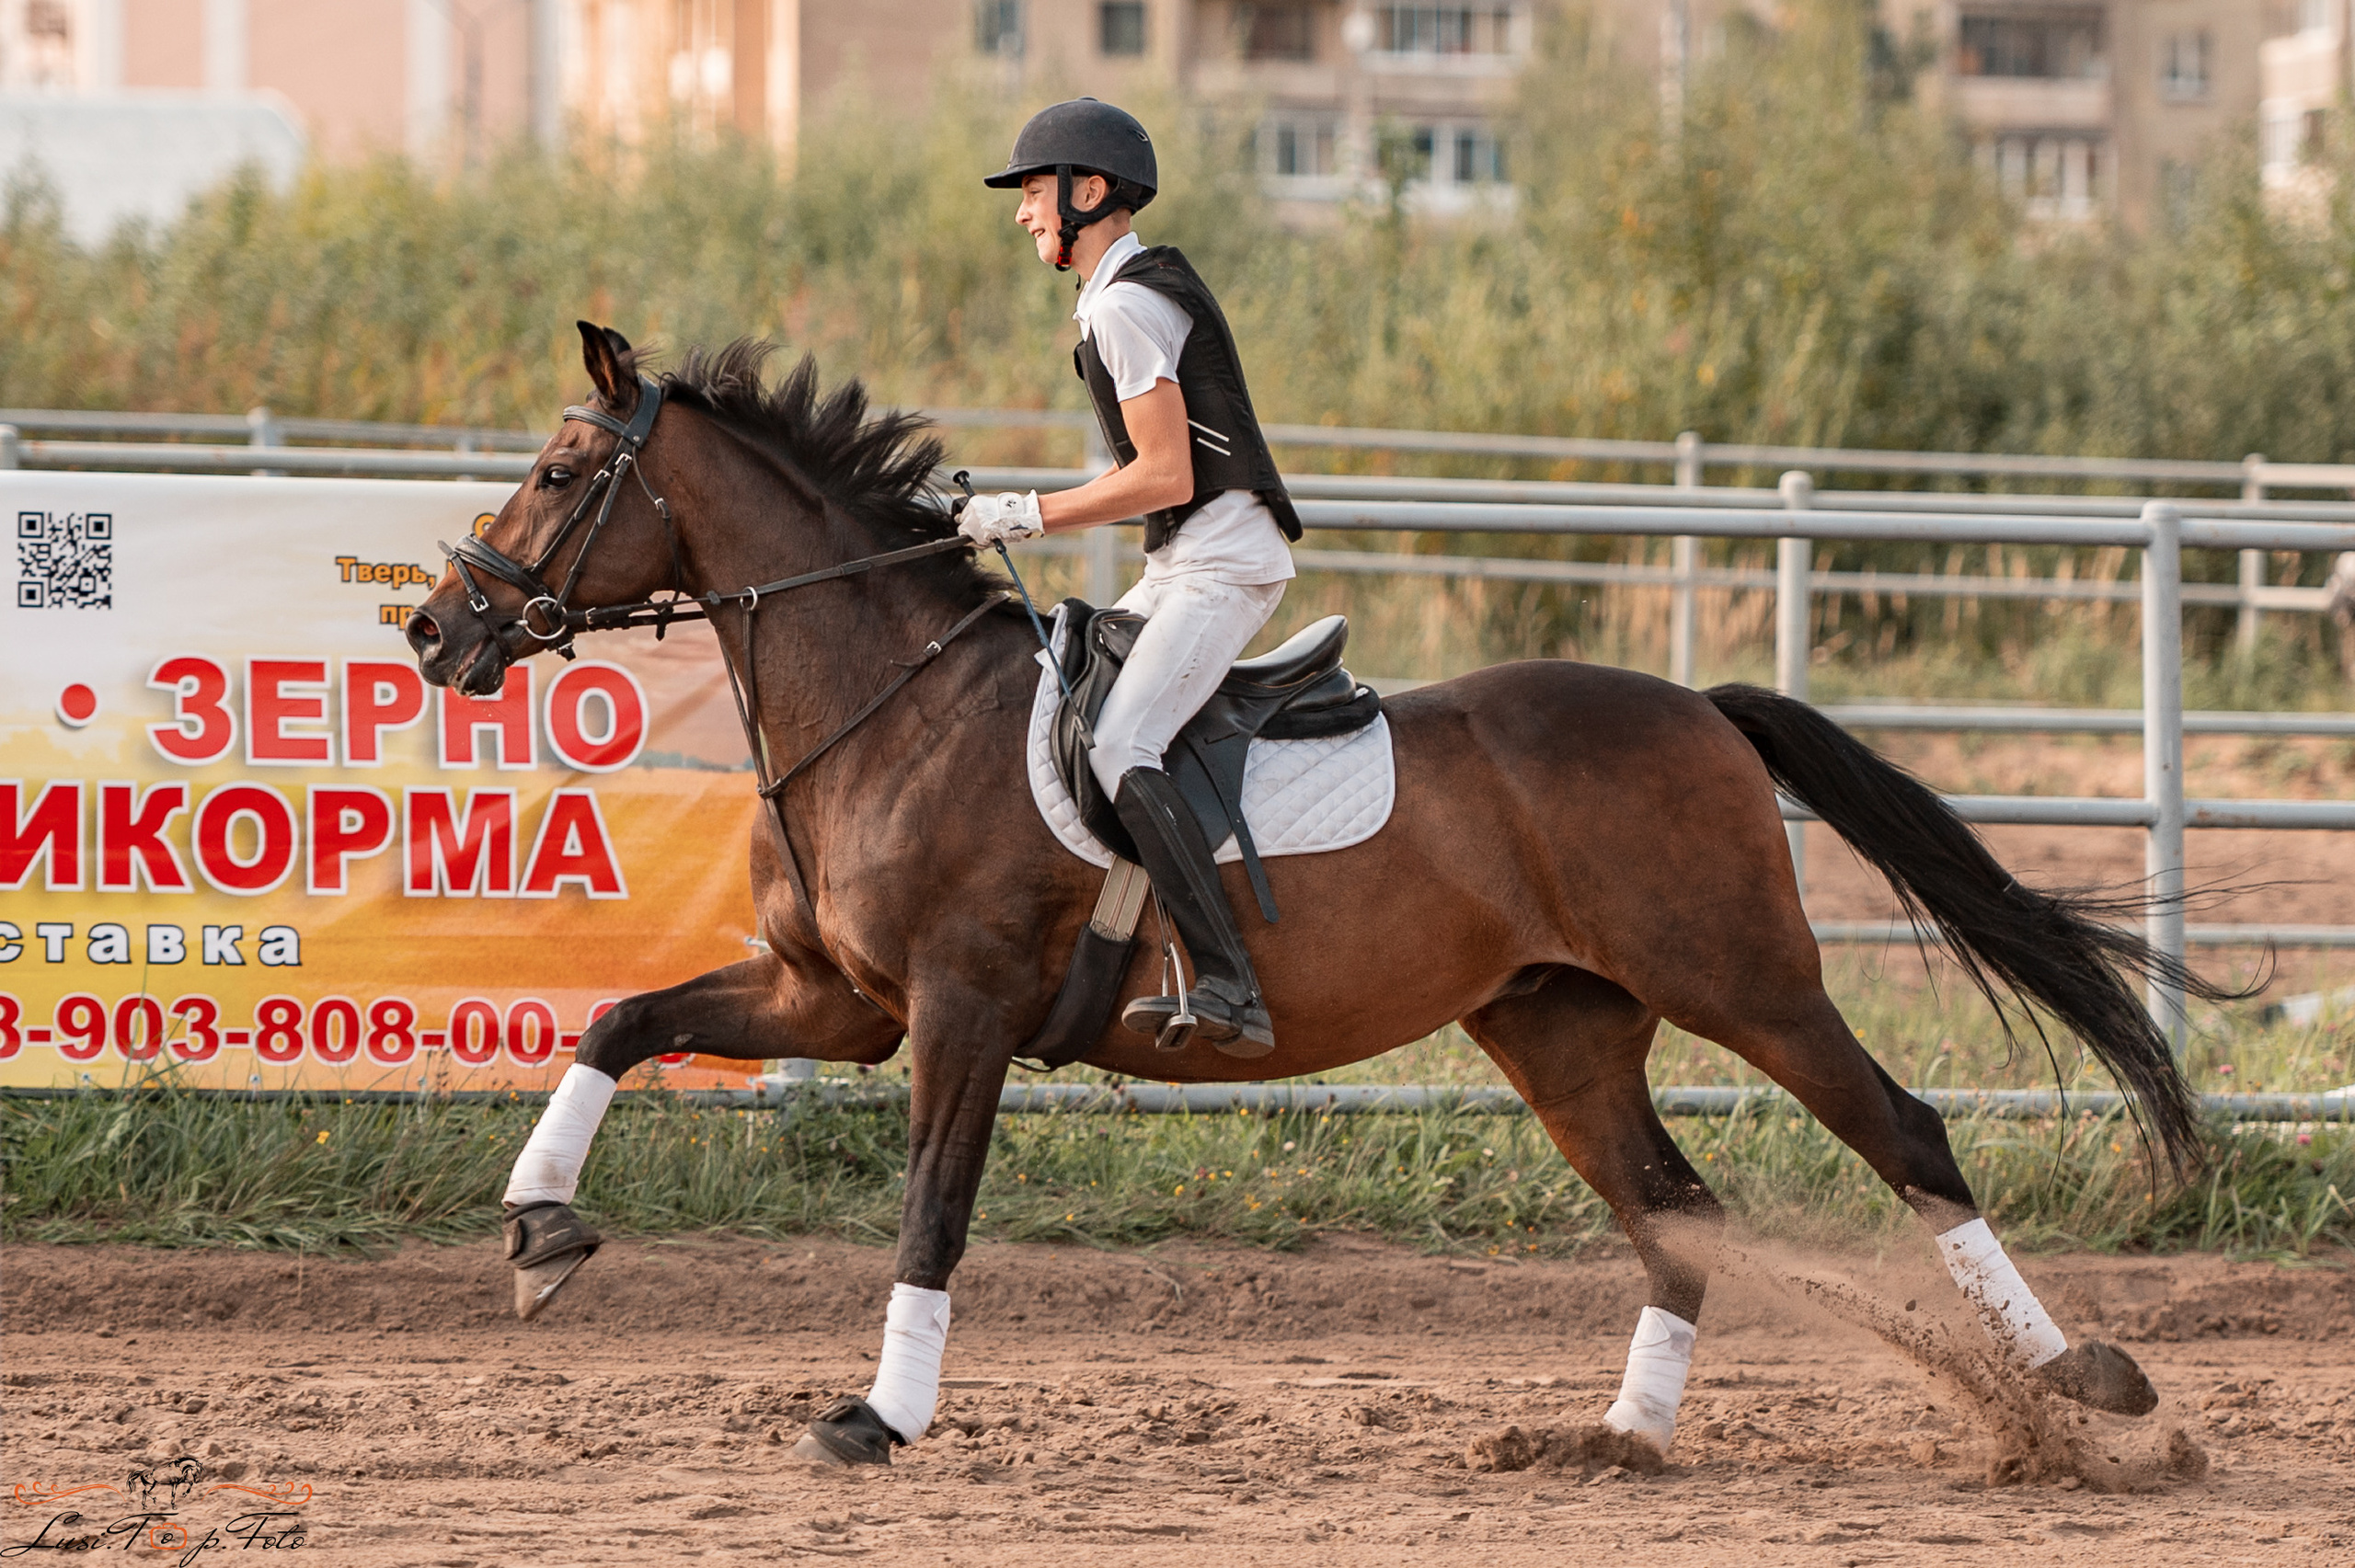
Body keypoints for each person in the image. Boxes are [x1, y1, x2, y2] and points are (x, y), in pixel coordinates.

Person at [959, 98, 1302, 1057]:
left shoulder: (1124, 304)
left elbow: (1164, 476)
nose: (1024, 213)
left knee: (1119, 745)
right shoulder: (1119, 295)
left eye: (1032, 191)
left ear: (1088, 191)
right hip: (1186, 557)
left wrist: (1022, 513)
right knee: (1072, 705)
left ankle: (1230, 981)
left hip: (1220, 561)